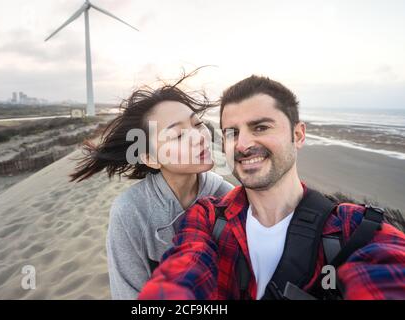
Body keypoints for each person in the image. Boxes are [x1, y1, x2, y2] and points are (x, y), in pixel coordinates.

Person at [138, 75, 405, 300]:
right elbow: (181, 275)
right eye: (231, 133)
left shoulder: (353, 228)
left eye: (261, 127)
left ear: (298, 135)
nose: (242, 144)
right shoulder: (207, 218)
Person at [69, 70, 233, 299]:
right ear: (150, 158)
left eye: (198, 124)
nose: (199, 137)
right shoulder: (131, 211)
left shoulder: (228, 198)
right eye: (177, 135)